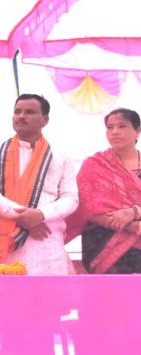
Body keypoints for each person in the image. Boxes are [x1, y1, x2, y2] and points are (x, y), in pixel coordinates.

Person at [0, 94, 78, 273]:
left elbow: (70, 198)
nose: (21, 116)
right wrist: (25, 217)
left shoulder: (60, 155)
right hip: (5, 240)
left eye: (29, 112)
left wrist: (41, 214)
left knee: (49, 289)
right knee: (6, 289)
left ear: (45, 120)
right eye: (17, 111)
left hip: (46, 237)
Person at [67, 108, 141, 274]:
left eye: (122, 126)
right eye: (110, 127)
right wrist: (132, 226)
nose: (114, 132)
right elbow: (86, 206)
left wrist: (133, 212)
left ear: (137, 130)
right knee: (111, 290)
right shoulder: (94, 165)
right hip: (103, 243)